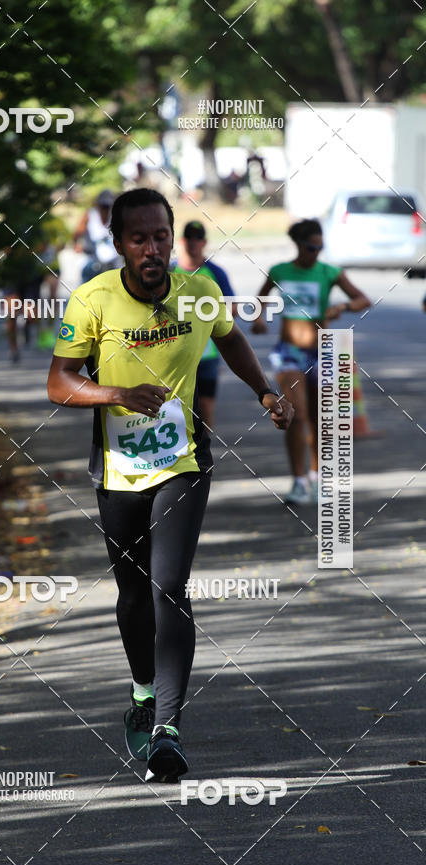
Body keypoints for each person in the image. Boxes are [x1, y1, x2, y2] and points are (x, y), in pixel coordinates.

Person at [47, 188, 293, 782]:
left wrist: (263, 391)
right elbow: (59, 382)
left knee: (168, 588)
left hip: (182, 460)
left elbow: (231, 339)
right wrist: (116, 395)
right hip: (117, 468)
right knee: (132, 595)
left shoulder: (200, 292)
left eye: (161, 235)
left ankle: (167, 728)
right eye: (139, 238)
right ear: (118, 244)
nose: (153, 248)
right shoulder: (93, 300)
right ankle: (140, 691)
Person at [253, 218, 370, 504]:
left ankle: (316, 479)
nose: (316, 252)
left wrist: (342, 306)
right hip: (289, 353)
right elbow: (261, 299)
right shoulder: (280, 270)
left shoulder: (329, 272)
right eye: (311, 247)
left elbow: (362, 299)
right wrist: (257, 318)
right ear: (299, 245)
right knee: (297, 415)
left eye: (320, 247)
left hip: (322, 353)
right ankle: (298, 480)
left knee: (320, 418)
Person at [173, 220, 235, 431]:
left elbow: (232, 308)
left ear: (204, 242)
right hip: (175, 353)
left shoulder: (216, 273)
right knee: (176, 410)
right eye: (189, 238)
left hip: (207, 353)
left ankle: (203, 458)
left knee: (205, 409)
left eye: (198, 238)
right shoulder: (169, 271)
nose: (193, 243)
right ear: (182, 241)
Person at [73, 189, 120, 283]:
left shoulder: (116, 216)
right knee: (88, 276)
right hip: (93, 255)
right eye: (103, 206)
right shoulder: (90, 215)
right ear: (98, 205)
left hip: (113, 258)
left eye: (107, 206)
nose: (105, 209)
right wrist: (77, 244)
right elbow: (77, 232)